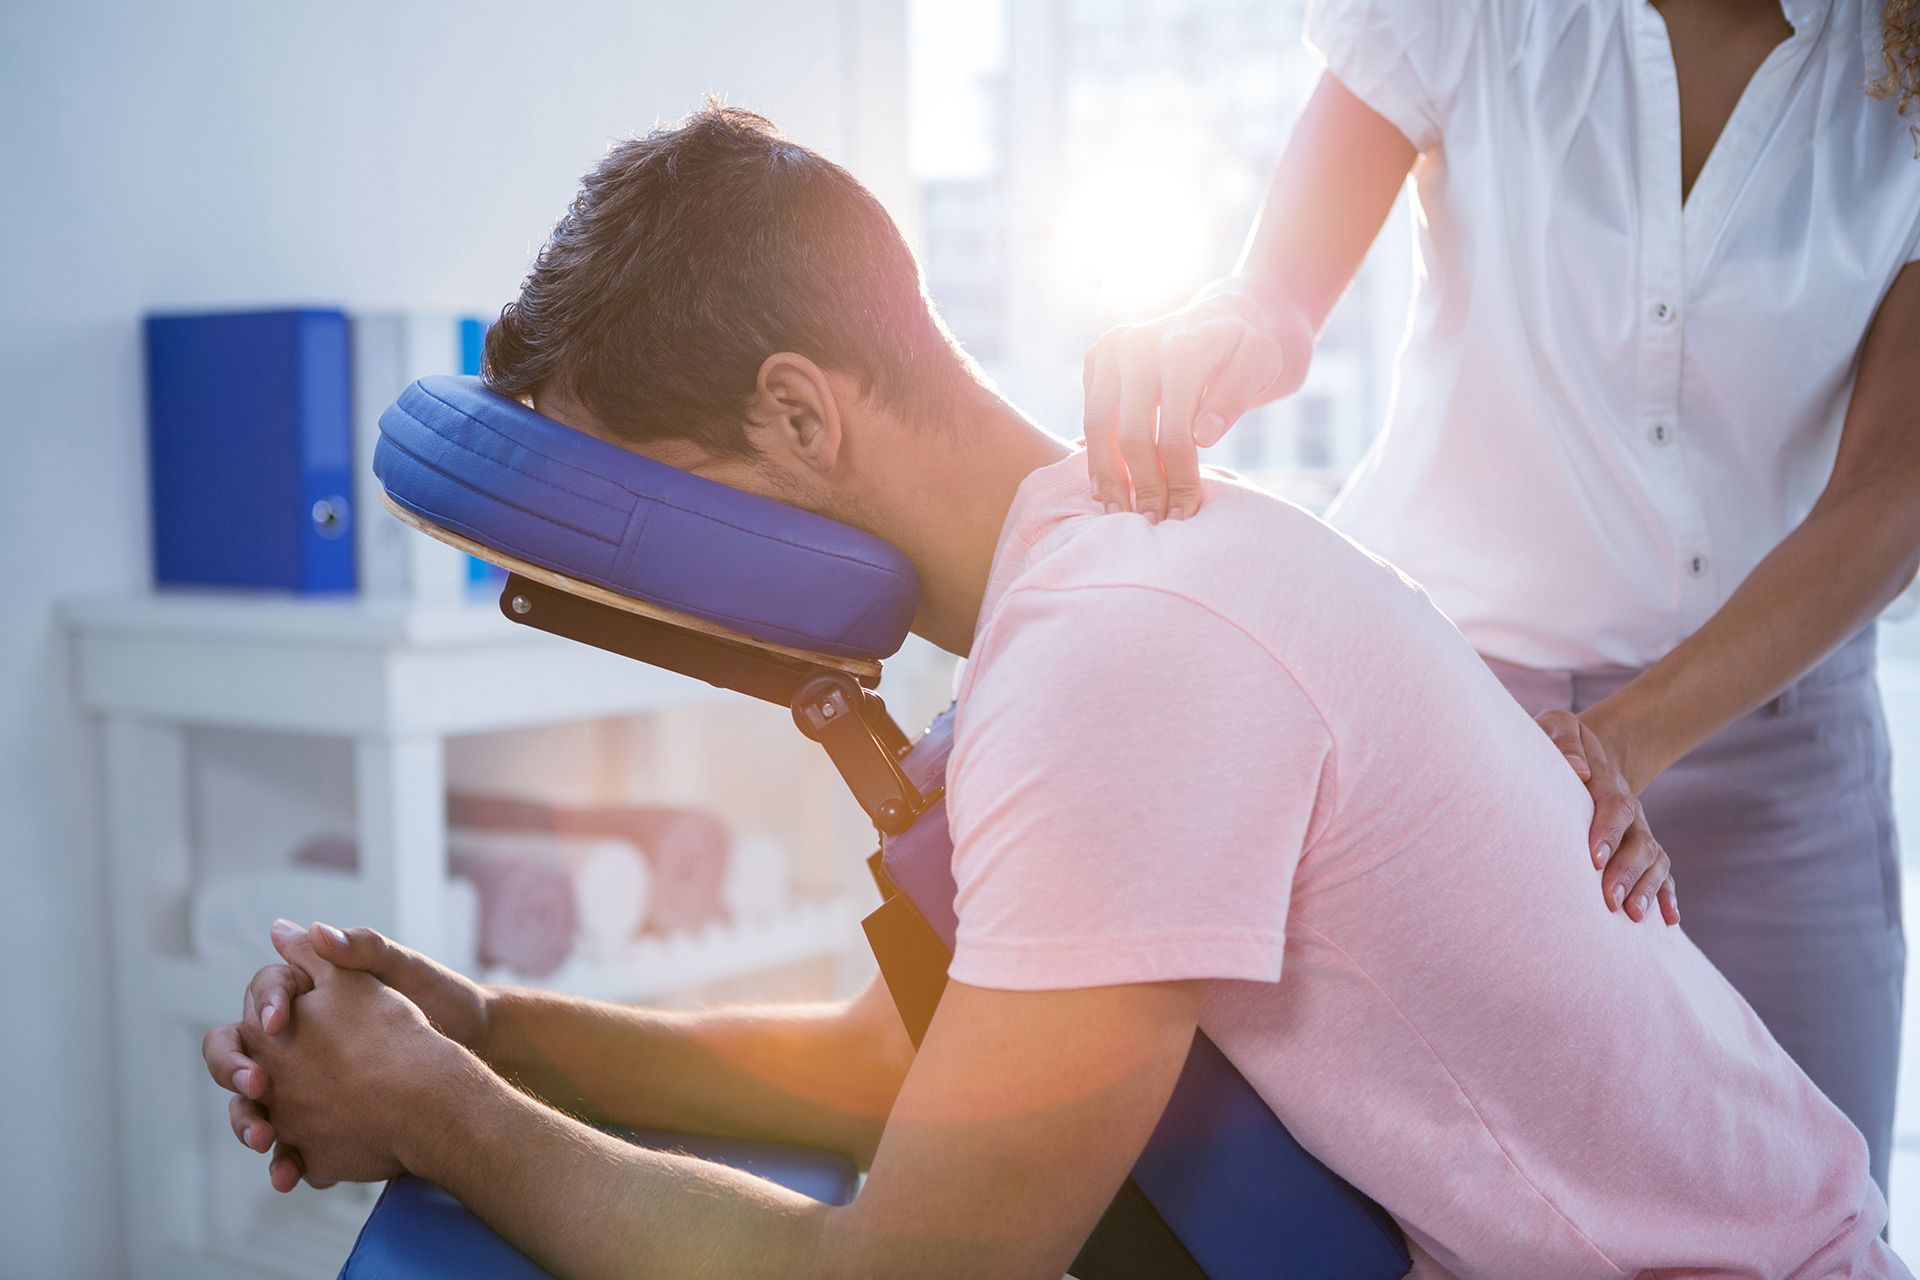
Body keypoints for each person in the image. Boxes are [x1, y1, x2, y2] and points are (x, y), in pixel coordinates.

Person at [203, 108, 1904, 1279]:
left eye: (644, 504)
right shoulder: (1088, 586)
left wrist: (443, 1114)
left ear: (800, 417)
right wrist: (497, 1033)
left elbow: (915, 1271)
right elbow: (894, 1070)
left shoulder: (1121, 661)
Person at [1081, 0, 1920, 1193]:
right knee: (1468, 1210)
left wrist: (1624, 742)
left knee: (1811, 1219)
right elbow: (1277, 295)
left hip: (1774, 746)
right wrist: (1222, 333)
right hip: (1466, 728)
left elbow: (1893, 492)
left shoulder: (1897, 78)